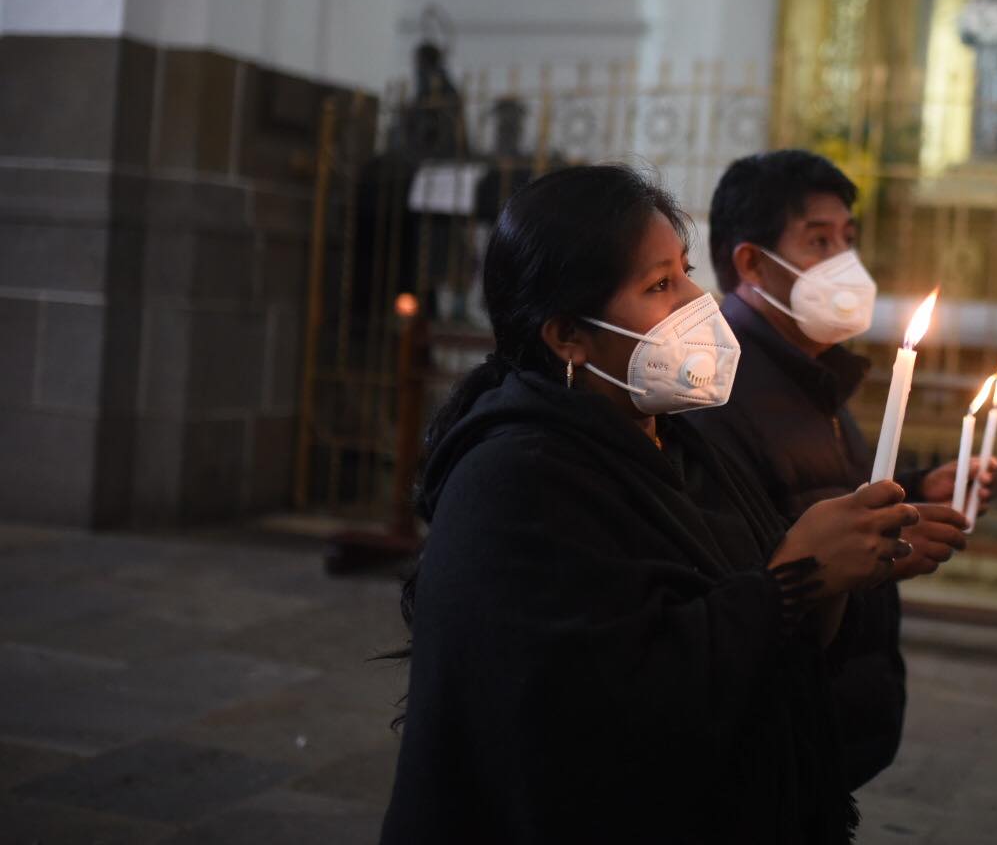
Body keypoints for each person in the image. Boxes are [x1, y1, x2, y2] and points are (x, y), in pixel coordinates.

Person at [381, 164, 920, 843]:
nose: (700, 301)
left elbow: (775, 621)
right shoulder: (515, 482)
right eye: (660, 285)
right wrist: (798, 575)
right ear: (567, 334)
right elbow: (606, 711)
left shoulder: (683, 439)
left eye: (688, 272)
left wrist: (834, 569)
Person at [690, 150, 997, 791]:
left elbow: (816, 487)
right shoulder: (720, 382)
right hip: (779, 717)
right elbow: (747, 551)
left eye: (848, 240)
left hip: (834, 705)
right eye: (819, 241)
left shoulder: (807, 366)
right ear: (750, 263)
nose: (844, 262)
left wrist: (912, 491)